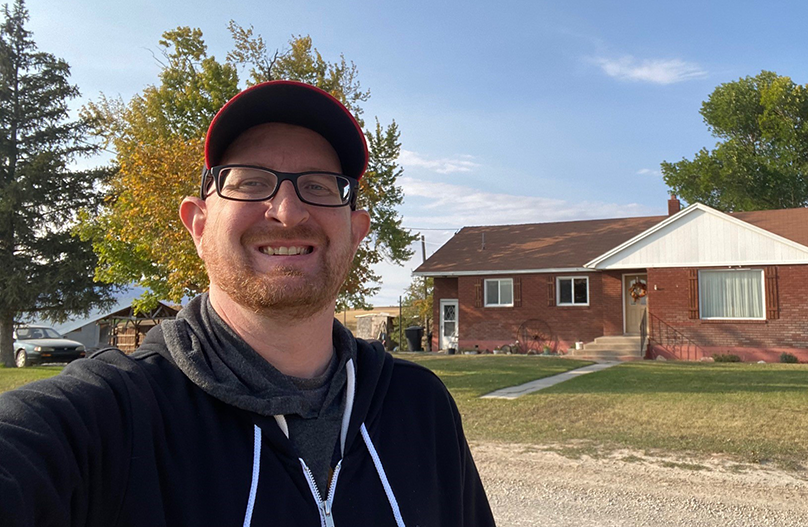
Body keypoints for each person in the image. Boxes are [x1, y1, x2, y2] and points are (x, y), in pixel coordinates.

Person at [0, 80, 496, 527]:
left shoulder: (421, 407)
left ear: (356, 232)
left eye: (319, 186)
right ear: (198, 226)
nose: (288, 211)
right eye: (251, 182)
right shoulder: (111, 418)